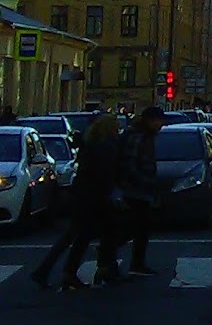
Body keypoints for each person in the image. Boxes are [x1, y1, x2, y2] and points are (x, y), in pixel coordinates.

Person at [31, 113, 121, 291]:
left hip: (83, 196)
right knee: (98, 233)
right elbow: (106, 175)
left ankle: (63, 272)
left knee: (79, 236)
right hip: (94, 198)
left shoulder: (90, 144)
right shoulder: (106, 147)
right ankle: (63, 271)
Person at [112, 107, 165, 277]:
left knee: (141, 228)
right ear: (149, 121)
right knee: (134, 227)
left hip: (139, 188)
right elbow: (131, 164)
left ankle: (136, 262)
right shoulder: (139, 137)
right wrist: (145, 181)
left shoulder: (143, 136)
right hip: (135, 190)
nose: (160, 125)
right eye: (157, 121)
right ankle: (111, 252)